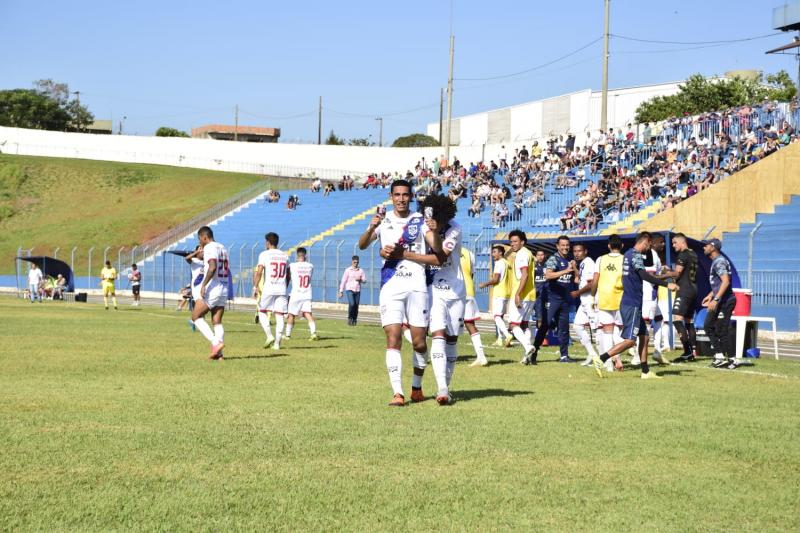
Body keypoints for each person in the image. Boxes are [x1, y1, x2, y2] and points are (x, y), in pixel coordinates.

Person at [358, 179, 438, 407]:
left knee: (419, 342)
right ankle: (397, 393)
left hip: (417, 285)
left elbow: (437, 250)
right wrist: (371, 228)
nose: (401, 198)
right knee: (393, 337)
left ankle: (416, 387)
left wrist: (435, 232)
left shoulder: (420, 220)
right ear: (391, 196)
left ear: (411, 197)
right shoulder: (383, 221)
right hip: (390, 285)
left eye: (405, 195)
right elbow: (362, 245)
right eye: (397, 195)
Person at [592, 232, 677, 379]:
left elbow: (643, 270)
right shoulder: (636, 255)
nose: (648, 249)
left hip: (631, 302)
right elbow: (644, 275)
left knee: (644, 337)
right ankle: (601, 359)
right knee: (630, 340)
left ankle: (645, 372)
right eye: (649, 246)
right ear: (645, 243)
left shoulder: (628, 254)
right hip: (632, 303)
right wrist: (666, 284)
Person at [415, 193, 464, 404]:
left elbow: (441, 254)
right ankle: (442, 389)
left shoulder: (455, 228)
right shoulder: (424, 226)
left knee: (452, 339)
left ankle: (446, 385)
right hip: (434, 288)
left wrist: (436, 231)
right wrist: (431, 229)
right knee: (438, 335)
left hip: (456, 288)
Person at [534, 236, 578, 363]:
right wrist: (565, 271)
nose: (565, 247)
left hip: (564, 299)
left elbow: (576, 279)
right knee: (544, 326)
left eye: (567, 245)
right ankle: (533, 353)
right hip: (551, 299)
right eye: (563, 245)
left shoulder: (570, 259)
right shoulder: (553, 259)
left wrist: (574, 269)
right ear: (557, 246)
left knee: (564, 328)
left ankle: (564, 356)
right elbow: (548, 275)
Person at [658, 233, 698, 362]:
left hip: (684, 290)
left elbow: (677, 273)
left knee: (676, 318)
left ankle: (687, 351)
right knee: (688, 321)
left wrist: (660, 277)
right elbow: (683, 272)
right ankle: (693, 350)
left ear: (682, 242)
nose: (673, 245)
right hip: (693, 288)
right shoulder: (693, 254)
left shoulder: (683, 254)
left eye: (675, 243)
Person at [192, 226, 229, 359]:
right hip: (224, 286)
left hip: (214, 287)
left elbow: (212, 267)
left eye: (199, 239)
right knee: (217, 321)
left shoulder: (210, 247)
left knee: (196, 316)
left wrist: (203, 285)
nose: (200, 242)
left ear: (204, 237)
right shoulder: (222, 247)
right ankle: (219, 354)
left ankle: (215, 343)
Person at [702, 238, 737, 369]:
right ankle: (720, 356)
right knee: (709, 326)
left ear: (713, 247)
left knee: (722, 330)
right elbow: (719, 283)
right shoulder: (717, 261)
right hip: (721, 299)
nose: (703, 248)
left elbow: (726, 282)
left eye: (705, 245)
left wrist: (715, 299)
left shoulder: (719, 261)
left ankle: (732, 359)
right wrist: (710, 295)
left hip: (725, 301)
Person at [593, 235, 625, 372]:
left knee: (607, 332)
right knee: (618, 331)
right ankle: (617, 357)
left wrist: (593, 296)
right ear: (622, 246)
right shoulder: (626, 259)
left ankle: (608, 364)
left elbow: (595, 280)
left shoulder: (600, 259)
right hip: (621, 299)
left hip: (604, 298)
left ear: (608, 246)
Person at [253, 232, 289, 350]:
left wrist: (255, 286)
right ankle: (277, 344)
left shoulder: (264, 254)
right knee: (279, 316)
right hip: (282, 289)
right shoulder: (285, 255)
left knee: (262, 311)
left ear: (268, 242)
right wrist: (285, 286)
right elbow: (288, 275)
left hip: (269, 288)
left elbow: (259, 272)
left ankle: (269, 336)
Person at [507, 230, 538, 365]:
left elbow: (524, 274)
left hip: (523, 294)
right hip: (531, 294)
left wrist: (518, 293)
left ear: (522, 242)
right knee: (524, 324)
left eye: (515, 241)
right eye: (511, 241)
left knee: (513, 324)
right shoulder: (529, 253)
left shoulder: (521, 255)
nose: (512, 244)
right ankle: (527, 357)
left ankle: (527, 346)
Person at [570, 243, 599, 366]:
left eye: (579, 251)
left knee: (597, 330)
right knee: (577, 326)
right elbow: (579, 279)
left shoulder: (589, 263)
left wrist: (578, 292)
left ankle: (605, 359)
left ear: (585, 251)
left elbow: (592, 283)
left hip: (591, 300)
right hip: (584, 301)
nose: (577, 253)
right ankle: (593, 355)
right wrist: (575, 269)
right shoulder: (582, 263)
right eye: (575, 251)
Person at [479, 244, 513, 347]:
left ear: (500, 253)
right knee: (500, 316)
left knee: (496, 316)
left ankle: (507, 335)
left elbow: (496, 280)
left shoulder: (499, 263)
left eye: (494, 252)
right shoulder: (508, 263)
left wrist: (484, 284)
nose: (492, 254)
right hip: (507, 292)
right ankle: (500, 339)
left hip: (499, 292)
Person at [460, 245, 487, 367]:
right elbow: (471, 274)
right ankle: (481, 356)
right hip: (469, 290)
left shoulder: (444, 248)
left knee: (444, 325)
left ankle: (443, 356)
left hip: (453, 291)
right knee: (470, 324)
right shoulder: (469, 253)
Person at [285, 247, 318, 341]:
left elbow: (288, 275)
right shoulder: (311, 266)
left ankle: (287, 335)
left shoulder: (292, 266)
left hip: (296, 293)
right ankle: (313, 333)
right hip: (307, 293)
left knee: (291, 314)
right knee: (307, 313)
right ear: (305, 255)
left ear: (297, 255)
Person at [338, 256, 367, 326]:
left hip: (357, 290)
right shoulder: (348, 270)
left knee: (356, 306)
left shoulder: (361, 270)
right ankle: (350, 318)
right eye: (354, 262)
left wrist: (360, 280)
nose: (355, 264)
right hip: (349, 289)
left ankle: (354, 319)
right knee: (352, 304)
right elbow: (343, 280)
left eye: (357, 262)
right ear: (352, 262)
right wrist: (341, 291)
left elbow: (365, 280)